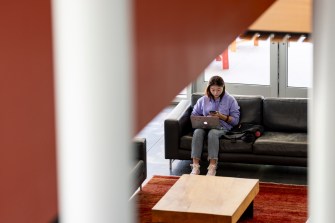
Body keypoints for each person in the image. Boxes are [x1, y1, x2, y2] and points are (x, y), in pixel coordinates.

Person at [190, 75, 240, 176]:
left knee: (212, 134)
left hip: (222, 127)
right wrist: (203, 119)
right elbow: (194, 115)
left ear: (223, 87)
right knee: (197, 132)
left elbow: (235, 121)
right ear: (209, 88)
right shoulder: (203, 100)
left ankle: (212, 167)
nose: (216, 93)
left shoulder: (230, 100)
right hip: (205, 126)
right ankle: (195, 166)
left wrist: (221, 116)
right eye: (213, 90)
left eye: (219, 90)